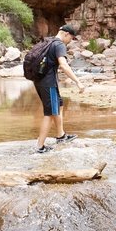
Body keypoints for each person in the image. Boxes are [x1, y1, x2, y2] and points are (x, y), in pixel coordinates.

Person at [33, 24, 85, 153]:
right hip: (48, 83)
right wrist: (77, 81)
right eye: (71, 38)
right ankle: (40, 146)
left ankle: (61, 135)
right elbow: (64, 65)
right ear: (66, 34)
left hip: (40, 80)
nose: (70, 41)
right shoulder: (59, 45)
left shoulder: (48, 41)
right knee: (50, 113)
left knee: (59, 105)